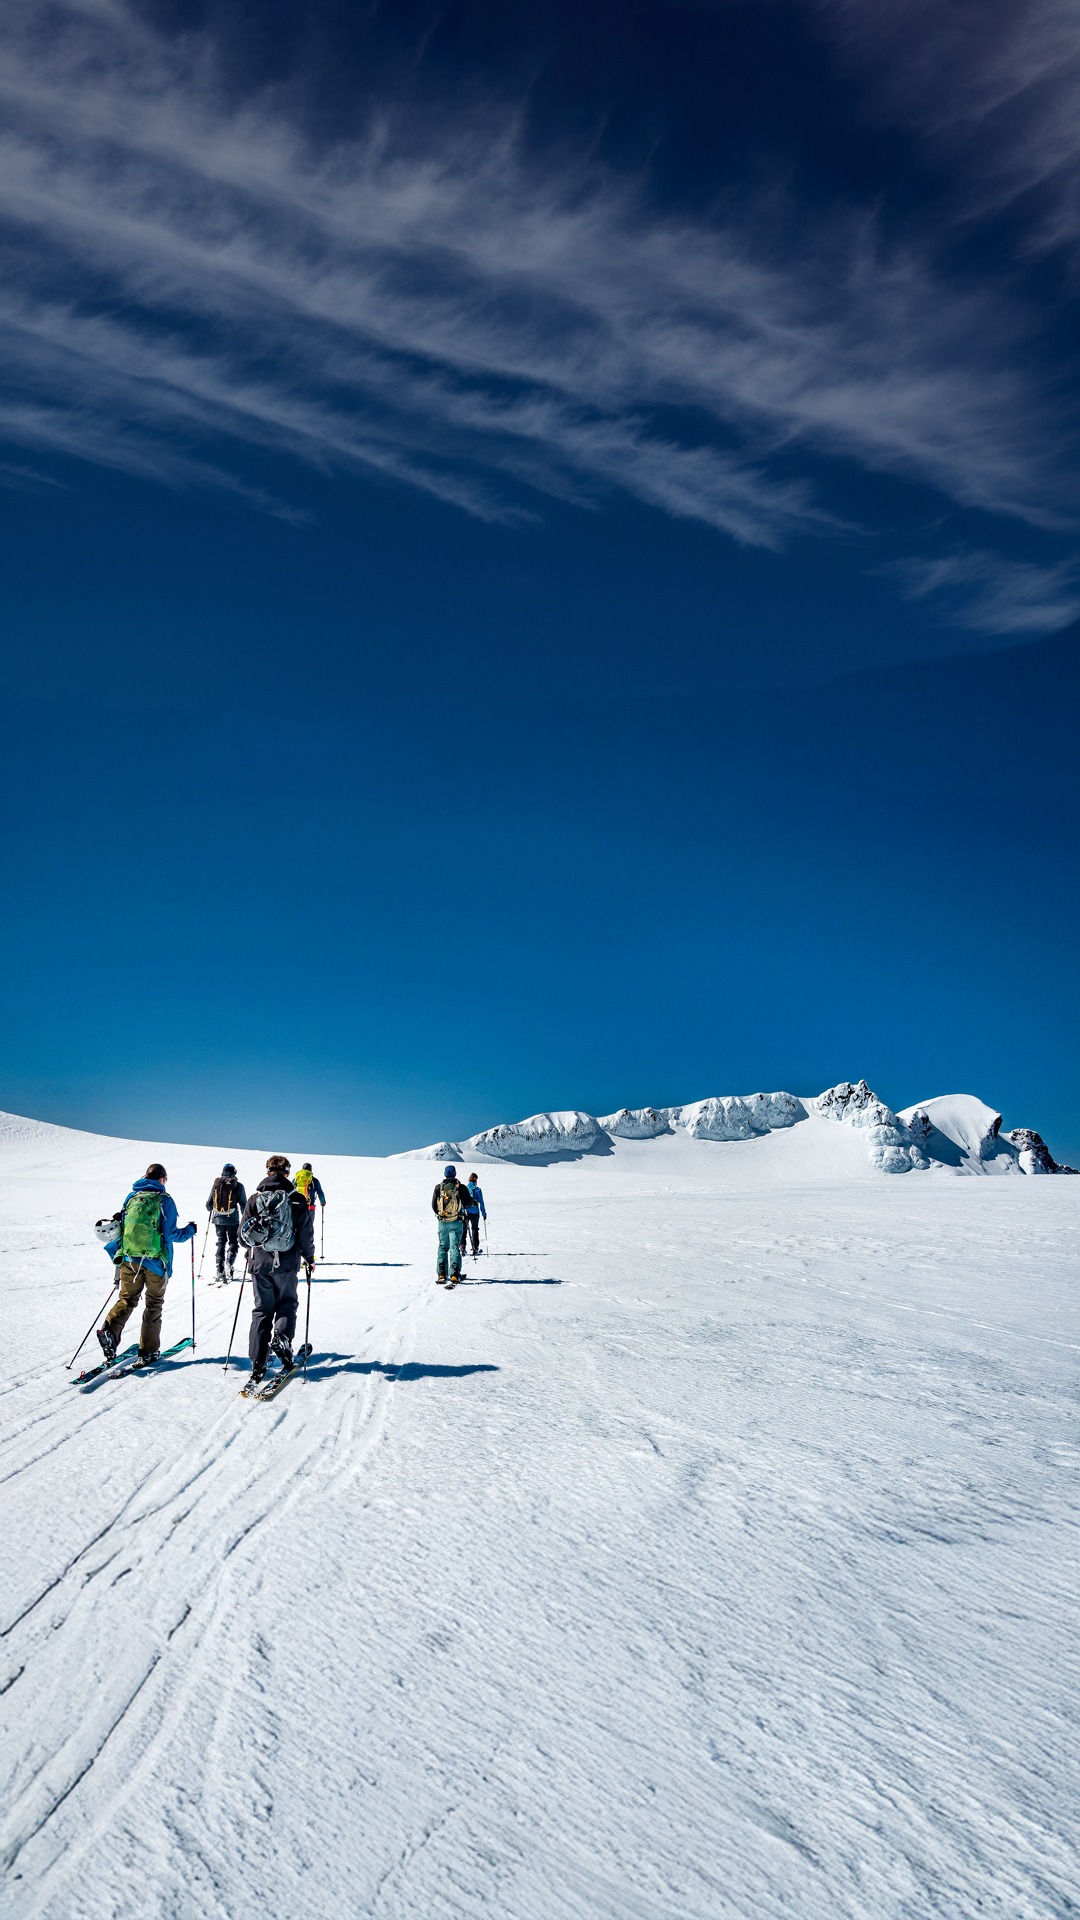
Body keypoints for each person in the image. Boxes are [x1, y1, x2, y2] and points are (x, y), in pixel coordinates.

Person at [98, 1164, 197, 1364]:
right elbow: (170, 1234)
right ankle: (149, 1351)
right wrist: (189, 1231)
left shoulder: (131, 1197)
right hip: (156, 1263)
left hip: (128, 1259)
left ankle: (109, 1331)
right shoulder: (165, 1200)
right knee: (153, 1304)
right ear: (162, 1179)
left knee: (127, 1299)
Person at [241, 1154, 315, 1385]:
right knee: (287, 1303)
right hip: (287, 1263)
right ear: (287, 1172)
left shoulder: (254, 1199)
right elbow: (305, 1232)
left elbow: (243, 1238)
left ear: (267, 1171)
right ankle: (281, 1339)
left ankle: (258, 1360)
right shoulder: (296, 1199)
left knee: (262, 1309)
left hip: (259, 1263)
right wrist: (309, 1257)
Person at [431, 1163, 471, 1287]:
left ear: (445, 1174)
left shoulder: (439, 1187)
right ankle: (454, 1273)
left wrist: (441, 1215)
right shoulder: (461, 1187)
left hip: (443, 1222)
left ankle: (441, 1273)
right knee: (454, 1246)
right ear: (455, 1174)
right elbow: (468, 1202)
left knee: (443, 1246)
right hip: (456, 1221)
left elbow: (433, 1205)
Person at [205, 1162, 247, 1280]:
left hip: (218, 1219)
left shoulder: (217, 1185)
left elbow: (209, 1204)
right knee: (233, 1242)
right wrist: (246, 1216)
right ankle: (229, 1264)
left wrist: (213, 1210)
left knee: (221, 1242)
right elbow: (243, 1203)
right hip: (232, 1218)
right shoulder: (238, 1186)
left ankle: (219, 1270)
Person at [462, 1172, 487, 1258]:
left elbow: (461, 1201)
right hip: (475, 1212)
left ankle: (462, 1247)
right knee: (474, 1229)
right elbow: (482, 1203)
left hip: (465, 1212)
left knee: (464, 1229)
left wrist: (462, 1211)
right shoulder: (478, 1189)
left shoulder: (464, 1188)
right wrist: (484, 1213)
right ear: (475, 1179)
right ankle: (475, 1247)